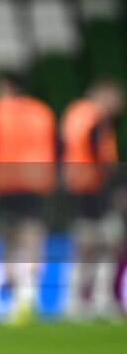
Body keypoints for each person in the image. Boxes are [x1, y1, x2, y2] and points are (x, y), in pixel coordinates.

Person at [0, 74, 57, 324]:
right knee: (32, 236)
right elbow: (57, 146)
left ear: (8, 87)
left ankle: (11, 292)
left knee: (8, 239)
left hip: (5, 183)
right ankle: (27, 293)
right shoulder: (43, 112)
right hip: (36, 183)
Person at [61, 78, 124, 318]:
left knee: (84, 247)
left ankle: (74, 302)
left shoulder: (75, 112)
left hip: (76, 187)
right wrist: (114, 189)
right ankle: (101, 298)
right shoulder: (96, 117)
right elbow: (99, 155)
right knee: (109, 242)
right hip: (96, 188)